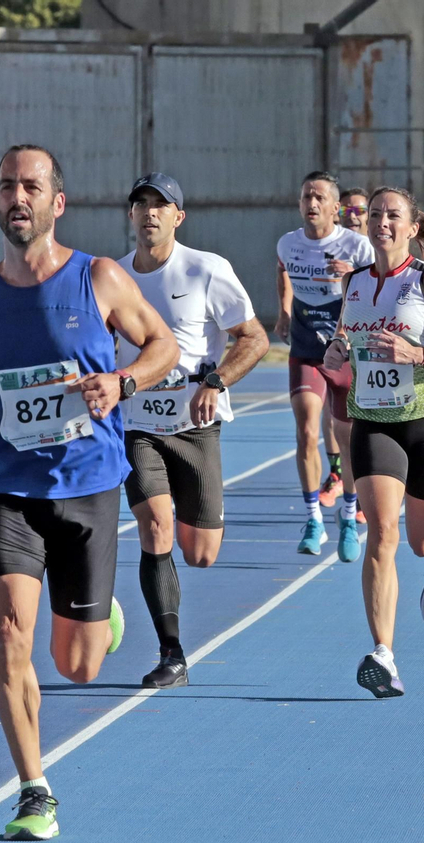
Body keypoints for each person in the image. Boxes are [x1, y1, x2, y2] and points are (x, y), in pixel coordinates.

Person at [0, 145, 179, 840]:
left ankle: (96, 614)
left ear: (57, 203)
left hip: (87, 489)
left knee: (77, 666)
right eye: (6, 187)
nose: (17, 196)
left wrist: (122, 383)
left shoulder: (100, 278)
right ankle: (34, 788)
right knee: (4, 634)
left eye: (31, 186)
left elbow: (163, 346)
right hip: (9, 490)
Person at [322, 186, 424, 697]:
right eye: (374, 215)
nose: (382, 223)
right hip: (373, 419)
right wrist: (336, 352)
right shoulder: (352, 284)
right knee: (382, 534)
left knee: (419, 540)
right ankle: (384, 655)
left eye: (393, 215)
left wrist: (419, 356)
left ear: (412, 228)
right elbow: (346, 342)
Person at [116, 173, 269, 689]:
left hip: (195, 426)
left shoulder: (207, 269)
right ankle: (172, 654)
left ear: (179, 217)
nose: (150, 213)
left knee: (200, 552)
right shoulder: (111, 278)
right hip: (137, 426)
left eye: (161, 206)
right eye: (141, 204)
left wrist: (216, 380)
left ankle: (190, 527)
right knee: (155, 527)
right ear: (131, 215)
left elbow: (254, 338)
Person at [275, 172, 376, 560]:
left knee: (346, 437)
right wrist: (284, 311)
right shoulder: (288, 244)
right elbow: (281, 269)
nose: (311, 204)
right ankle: (313, 518)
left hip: (344, 349)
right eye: (306, 197)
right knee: (305, 429)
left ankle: (349, 517)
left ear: (336, 207)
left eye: (319, 198)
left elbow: (377, 287)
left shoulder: (358, 246)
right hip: (305, 347)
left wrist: (350, 278)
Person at [315, 186, 373, 514]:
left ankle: (367, 481)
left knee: (365, 413)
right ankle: (338, 472)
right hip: (333, 337)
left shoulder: (376, 248)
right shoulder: (329, 244)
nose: (353, 217)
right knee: (330, 407)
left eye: (360, 211)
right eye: (347, 211)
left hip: (367, 341)